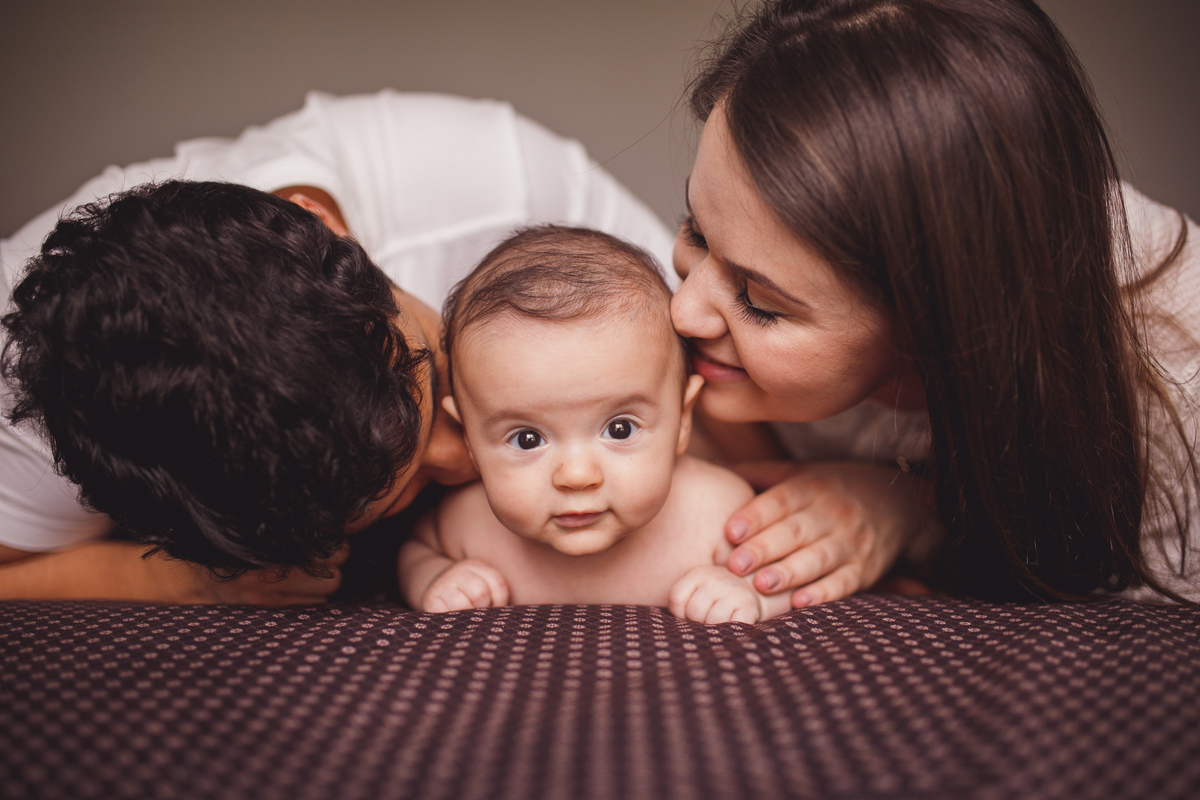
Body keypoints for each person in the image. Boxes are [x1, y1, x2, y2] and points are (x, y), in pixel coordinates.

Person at [0, 91, 675, 604]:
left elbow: (708, 375)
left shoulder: (508, 186)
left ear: (327, 224)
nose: (463, 450)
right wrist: (176, 580)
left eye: (433, 367)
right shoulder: (25, 411)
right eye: (398, 491)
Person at [671, 0, 1200, 604]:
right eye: (695, 228)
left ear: (934, 323)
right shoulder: (732, 345)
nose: (683, 310)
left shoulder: (1177, 406)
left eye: (760, 302)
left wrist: (914, 515)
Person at [398, 225, 792, 623]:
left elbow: (787, 573)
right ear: (469, 438)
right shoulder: (468, 524)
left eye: (620, 429)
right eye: (527, 438)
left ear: (683, 420)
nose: (577, 475)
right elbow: (415, 550)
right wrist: (435, 577)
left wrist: (748, 593)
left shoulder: (719, 512)